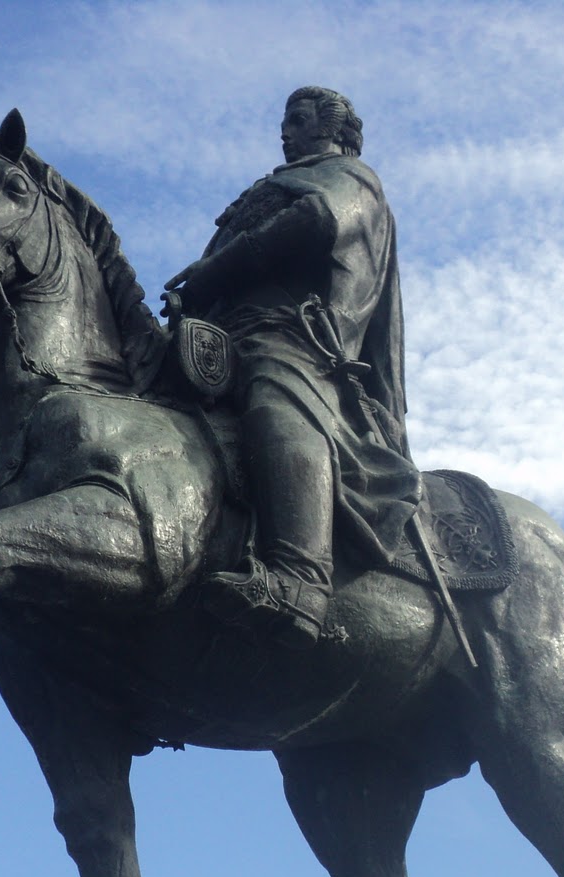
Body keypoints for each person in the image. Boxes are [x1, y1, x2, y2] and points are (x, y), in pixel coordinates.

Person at [164, 86, 421, 647]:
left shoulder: (349, 178)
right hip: (228, 335)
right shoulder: (270, 187)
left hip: (295, 339)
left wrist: (217, 269)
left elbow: (315, 220)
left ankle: (300, 576)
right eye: (286, 122)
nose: (286, 132)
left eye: (299, 121)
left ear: (334, 129)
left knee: (274, 396)